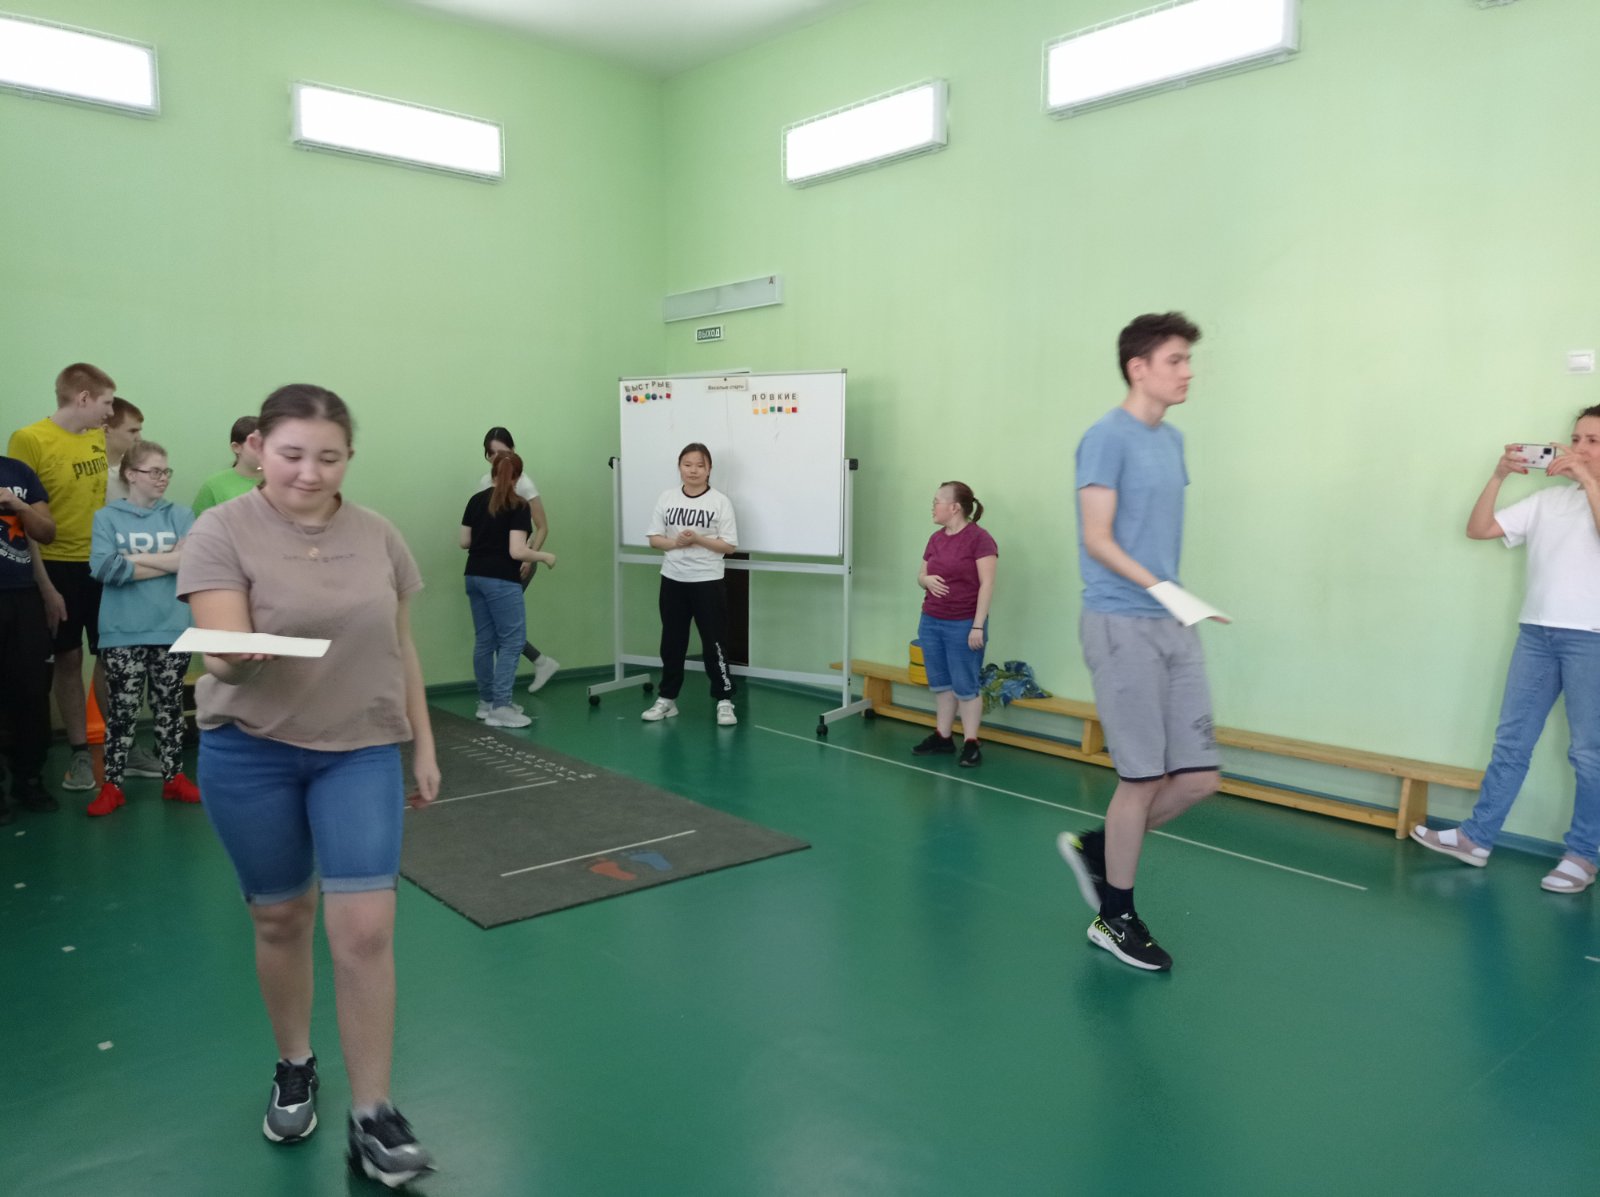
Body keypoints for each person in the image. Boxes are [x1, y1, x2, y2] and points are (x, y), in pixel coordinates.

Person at [176, 384, 437, 1186]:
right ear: (258, 448)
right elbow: (220, 650)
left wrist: (423, 742)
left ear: (349, 457)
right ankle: (295, 1063)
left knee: (365, 929)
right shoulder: (222, 529)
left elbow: (400, 643)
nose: (309, 472)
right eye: (291, 453)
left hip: (360, 749)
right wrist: (231, 656)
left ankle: (373, 1113)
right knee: (283, 916)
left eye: (329, 457)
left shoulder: (379, 535)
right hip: (249, 751)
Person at [1057, 312, 1225, 973]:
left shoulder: (1173, 440)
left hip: (1172, 621)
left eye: (1188, 360)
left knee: (1199, 778)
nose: (1188, 372)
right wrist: (1163, 589)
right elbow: (1097, 538)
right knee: (1143, 777)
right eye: (1176, 360)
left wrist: (1174, 599)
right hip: (1120, 622)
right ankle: (1115, 916)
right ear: (1139, 367)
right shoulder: (1105, 438)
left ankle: (1101, 849)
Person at [1411, 410, 1600, 895]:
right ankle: (1475, 838)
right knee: (1512, 743)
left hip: (1591, 639)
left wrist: (1586, 479)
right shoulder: (1549, 501)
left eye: (1593, 441)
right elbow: (1479, 529)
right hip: (1537, 634)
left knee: (1589, 754)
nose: (1579, 448)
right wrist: (1497, 476)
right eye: (1576, 438)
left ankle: (1583, 855)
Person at [7, 363, 115, 794]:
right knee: (68, 657)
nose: (110, 412)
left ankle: (118, 745)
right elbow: (21, 519)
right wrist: (45, 585)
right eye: (107, 402)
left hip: (101, 563)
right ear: (83, 398)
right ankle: (78, 751)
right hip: (56, 564)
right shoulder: (29, 439)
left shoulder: (97, 437)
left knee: (111, 655)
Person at [86, 441, 199, 816]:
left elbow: (192, 562)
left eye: (166, 471)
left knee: (169, 709)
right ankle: (112, 786)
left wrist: (133, 560)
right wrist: (169, 559)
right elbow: (105, 568)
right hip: (122, 631)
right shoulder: (107, 518)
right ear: (131, 475)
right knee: (123, 711)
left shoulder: (181, 515)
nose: (163, 478)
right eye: (155, 471)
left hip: (171, 628)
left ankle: (174, 778)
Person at [642, 442, 739, 725]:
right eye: (687, 464)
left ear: (709, 469)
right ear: (679, 467)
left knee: (714, 642)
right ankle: (667, 699)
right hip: (673, 579)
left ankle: (724, 699)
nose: (693, 470)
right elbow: (654, 539)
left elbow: (729, 546)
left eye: (699, 465)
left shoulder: (719, 501)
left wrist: (697, 539)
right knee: (672, 642)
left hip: (708, 581)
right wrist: (676, 543)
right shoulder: (667, 497)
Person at [461, 451, 557, 728]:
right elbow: (517, 551)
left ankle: (487, 702)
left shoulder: (475, 500)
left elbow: (464, 541)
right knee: (512, 641)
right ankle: (501, 707)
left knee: (484, 641)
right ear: (518, 477)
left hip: (474, 575)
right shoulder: (518, 505)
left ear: (492, 472)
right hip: (501, 579)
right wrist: (545, 556)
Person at [911, 482, 997, 767]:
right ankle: (943, 737)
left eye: (936, 501)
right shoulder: (936, 539)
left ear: (954, 507)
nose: (932, 507)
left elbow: (987, 585)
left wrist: (977, 626)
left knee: (965, 685)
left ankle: (971, 742)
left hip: (963, 623)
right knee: (942, 683)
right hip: (931, 620)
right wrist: (925, 580)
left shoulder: (980, 539)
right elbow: (921, 575)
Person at [0, 454, 60, 822]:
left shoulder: (18, 472)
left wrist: (18, 505)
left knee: (32, 691)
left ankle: (29, 779)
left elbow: (46, 533)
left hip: (23, 597)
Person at [479, 427, 559, 692]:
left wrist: (530, 557)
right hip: (492, 563)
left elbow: (543, 527)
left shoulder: (524, 483)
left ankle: (502, 691)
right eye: (491, 453)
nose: (496, 458)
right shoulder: (484, 482)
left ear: (513, 451)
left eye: (502, 452)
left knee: (502, 626)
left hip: (518, 562)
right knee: (497, 625)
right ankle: (540, 662)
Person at [192, 416, 263, 514]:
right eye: (256, 445)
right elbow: (199, 522)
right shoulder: (214, 486)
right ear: (236, 447)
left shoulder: (278, 480)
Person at [103, 397, 143, 503]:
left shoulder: (139, 472)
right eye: (132, 431)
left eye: (139, 431)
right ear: (106, 430)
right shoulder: (86, 474)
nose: (139, 438)